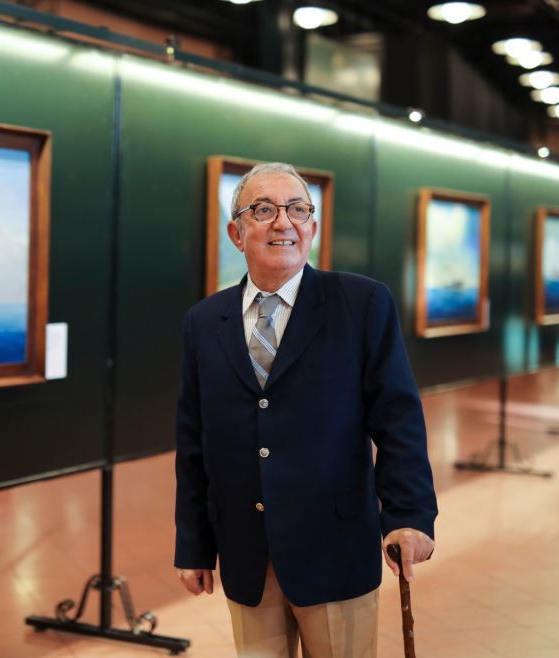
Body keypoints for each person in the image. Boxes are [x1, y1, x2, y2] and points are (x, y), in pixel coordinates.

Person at [174, 162, 438, 658]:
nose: (283, 222)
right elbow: (193, 441)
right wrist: (193, 544)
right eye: (263, 210)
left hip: (334, 549)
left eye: (297, 209)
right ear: (236, 233)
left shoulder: (361, 303)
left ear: (312, 227)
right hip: (247, 554)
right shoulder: (204, 322)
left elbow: (398, 419)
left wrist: (409, 515)